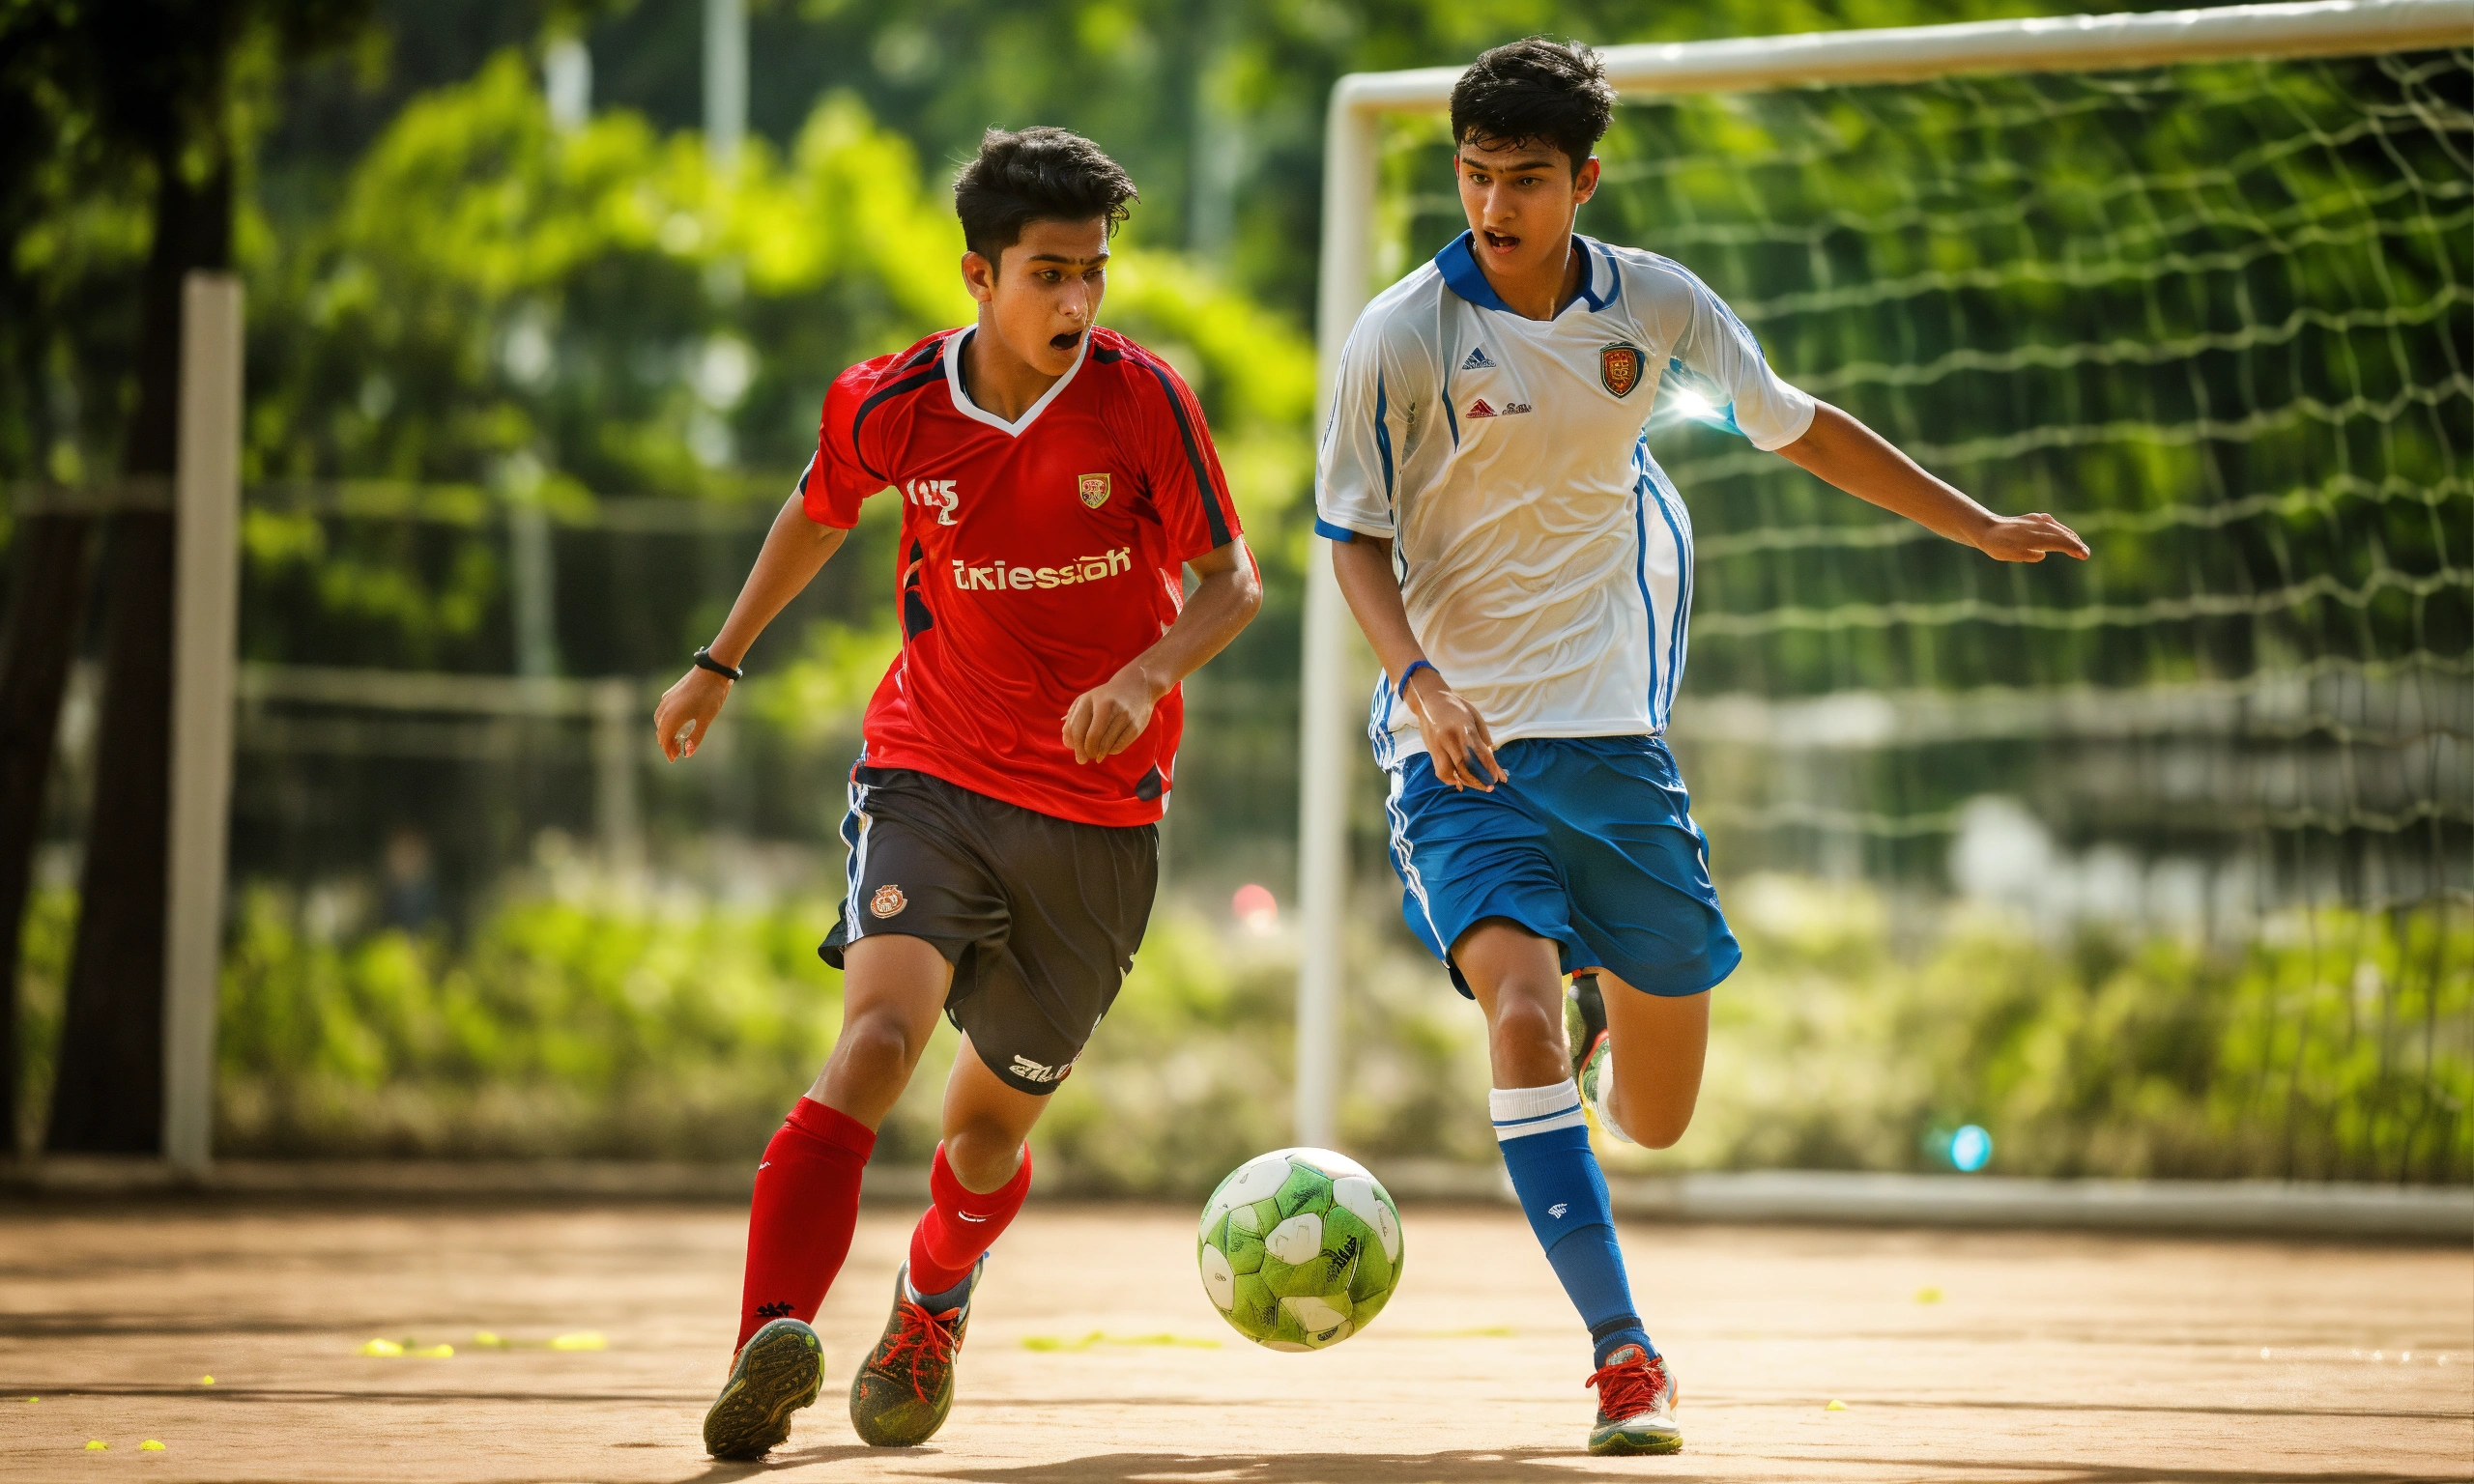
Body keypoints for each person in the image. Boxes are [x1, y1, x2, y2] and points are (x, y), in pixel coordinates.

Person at [1316, 39, 2087, 1457]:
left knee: (1657, 1121)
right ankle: (1624, 1356)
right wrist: (1420, 685)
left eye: (1528, 181)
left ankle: (1607, 992)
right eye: (1476, 176)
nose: (1496, 206)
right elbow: (1352, 541)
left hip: (1613, 746)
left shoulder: (1657, 304)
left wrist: (1978, 524)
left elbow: (1797, 428)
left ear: (1584, 179)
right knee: (1517, 1019)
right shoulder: (1402, 331)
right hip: (1459, 752)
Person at [654, 125, 1260, 1462]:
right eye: (1050, 273)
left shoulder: (1144, 399)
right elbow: (821, 510)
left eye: (1095, 272)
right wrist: (719, 662)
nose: (1078, 300)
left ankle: (932, 1299)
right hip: (931, 762)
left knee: (984, 1144)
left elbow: (1233, 581)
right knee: (875, 1044)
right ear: (978, 276)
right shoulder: (889, 402)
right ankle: (770, 1338)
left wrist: (1146, 673)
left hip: (1102, 816)